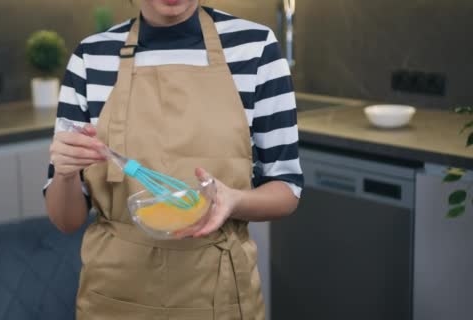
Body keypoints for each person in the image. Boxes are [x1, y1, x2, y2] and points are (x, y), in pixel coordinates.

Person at [44, 0, 303, 318]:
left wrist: (233, 200)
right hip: (114, 297)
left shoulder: (254, 48)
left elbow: (286, 189)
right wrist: (65, 174)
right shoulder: (92, 57)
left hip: (218, 297)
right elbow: (65, 220)